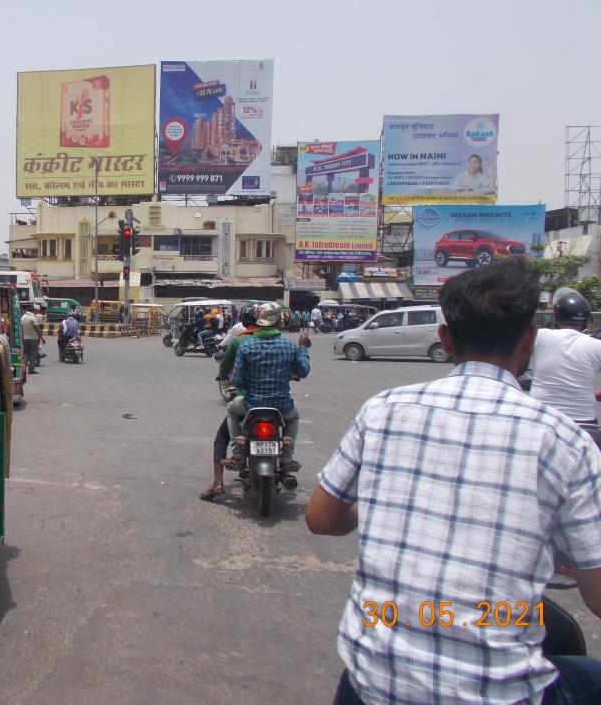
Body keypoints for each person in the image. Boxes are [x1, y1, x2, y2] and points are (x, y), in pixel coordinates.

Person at [306, 258, 601, 704]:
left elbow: (322, 518)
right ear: (530, 341)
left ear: (445, 336)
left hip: (373, 683)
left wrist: (374, 508)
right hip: (498, 691)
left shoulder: (384, 409)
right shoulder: (566, 442)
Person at [224, 302, 311, 471]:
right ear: (278, 321)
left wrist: (250, 384)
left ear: (260, 320)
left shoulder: (246, 346)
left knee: (231, 409)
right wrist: (303, 348)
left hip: (251, 405)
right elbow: (303, 371)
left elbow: (237, 381)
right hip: (282, 406)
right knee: (293, 417)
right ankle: (286, 459)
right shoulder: (289, 346)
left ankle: (237, 454)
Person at [200, 305, 260, 501]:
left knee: (222, 436)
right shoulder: (278, 342)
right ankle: (285, 459)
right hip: (276, 403)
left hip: (245, 399)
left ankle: (218, 482)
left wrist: (224, 375)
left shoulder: (239, 341)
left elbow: (225, 366)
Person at [530, 289, 601, 425]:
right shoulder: (597, 345)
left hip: (543, 419)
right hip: (583, 422)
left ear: (557, 314)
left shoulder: (540, 336)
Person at [21, 308, 44, 374]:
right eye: (36, 311)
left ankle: (23, 368)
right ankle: (31, 370)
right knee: (32, 354)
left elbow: (21, 327)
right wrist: (42, 338)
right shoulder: (33, 318)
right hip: (33, 338)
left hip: (25, 338)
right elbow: (37, 329)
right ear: (33, 311)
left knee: (26, 353)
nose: (36, 313)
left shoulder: (24, 317)